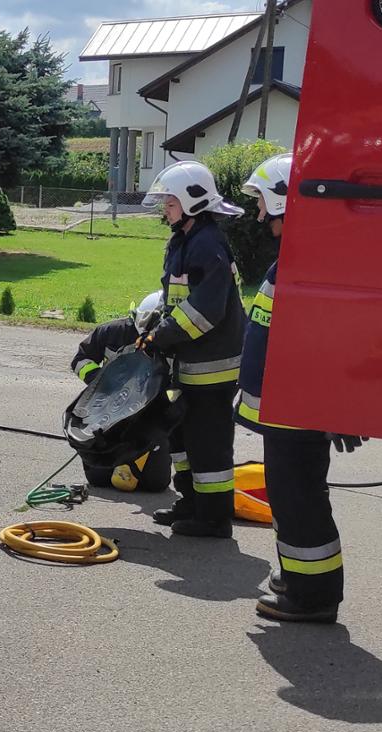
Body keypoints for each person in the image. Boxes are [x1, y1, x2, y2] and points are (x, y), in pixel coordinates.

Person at [236, 153, 361, 623]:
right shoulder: (302, 258)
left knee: (300, 500)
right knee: (291, 498)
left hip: (299, 411)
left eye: (265, 203)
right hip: (287, 410)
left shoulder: (313, 263)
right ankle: (298, 576)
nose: (260, 214)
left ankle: (313, 597)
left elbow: (331, 344)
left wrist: (341, 407)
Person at [139, 160, 246, 538]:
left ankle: (214, 519)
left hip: (212, 368)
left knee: (209, 445)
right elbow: (177, 300)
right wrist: (155, 328)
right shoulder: (184, 239)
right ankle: (190, 504)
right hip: (189, 364)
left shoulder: (207, 244)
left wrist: (163, 336)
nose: (164, 210)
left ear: (193, 202)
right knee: (182, 438)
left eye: (170, 203)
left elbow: (205, 310)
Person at [71, 291, 173, 493]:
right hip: (106, 415)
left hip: (147, 420)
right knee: (98, 479)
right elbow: (80, 360)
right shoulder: (111, 332)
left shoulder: (170, 342)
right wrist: (101, 382)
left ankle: (134, 463)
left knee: (155, 484)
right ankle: (119, 464)